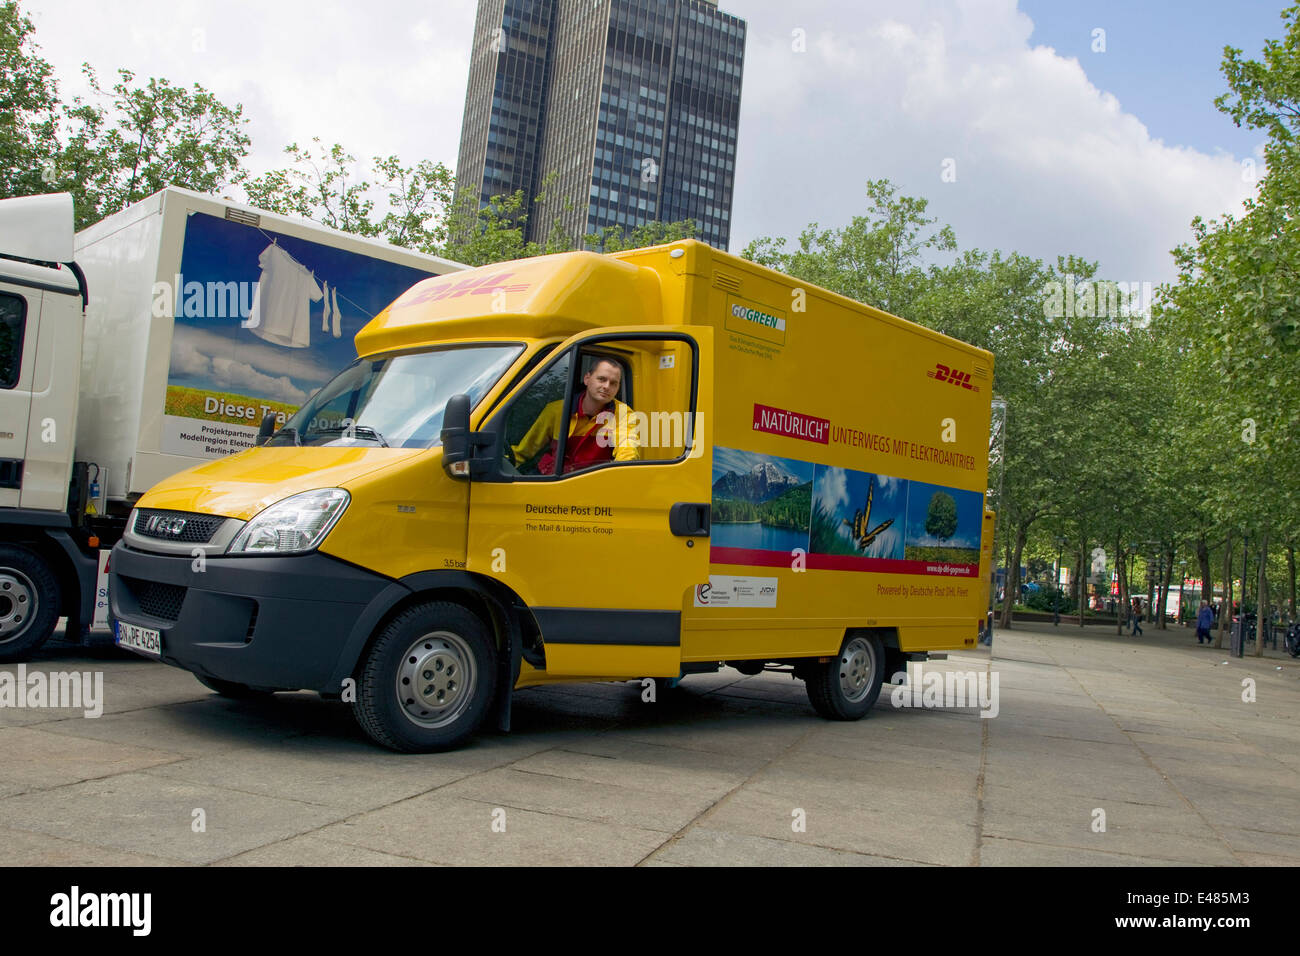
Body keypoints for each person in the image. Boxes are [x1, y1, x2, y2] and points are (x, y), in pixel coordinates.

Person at [512, 357, 641, 475]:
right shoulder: (556, 410)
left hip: (588, 484)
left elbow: (627, 447)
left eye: (613, 383)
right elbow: (525, 450)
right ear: (587, 379)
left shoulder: (623, 413)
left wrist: (621, 471)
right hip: (549, 478)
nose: (607, 386)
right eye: (601, 379)